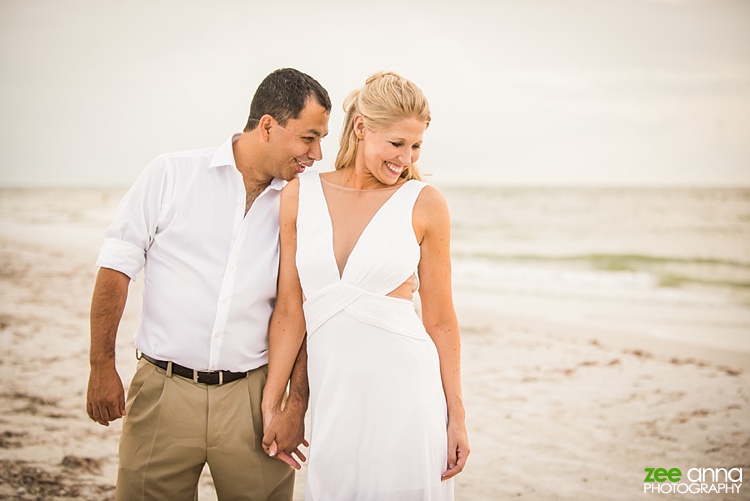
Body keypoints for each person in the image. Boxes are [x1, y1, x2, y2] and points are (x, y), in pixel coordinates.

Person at [85, 68, 331, 500]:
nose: (318, 153)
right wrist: (101, 365)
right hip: (162, 391)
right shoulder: (170, 174)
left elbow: (301, 308)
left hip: (253, 399)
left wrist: (296, 405)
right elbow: (116, 268)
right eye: (309, 137)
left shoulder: (304, 201)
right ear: (268, 126)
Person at [262, 71, 469, 500]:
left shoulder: (425, 203)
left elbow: (441, 319)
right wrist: (276, 400)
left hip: (408, 396)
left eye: (416, 146)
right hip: (333, 398)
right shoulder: (300, 195)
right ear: (360, 127)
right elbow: (289, 310)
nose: (406, 158)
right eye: (396, 144)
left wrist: (457, 416)